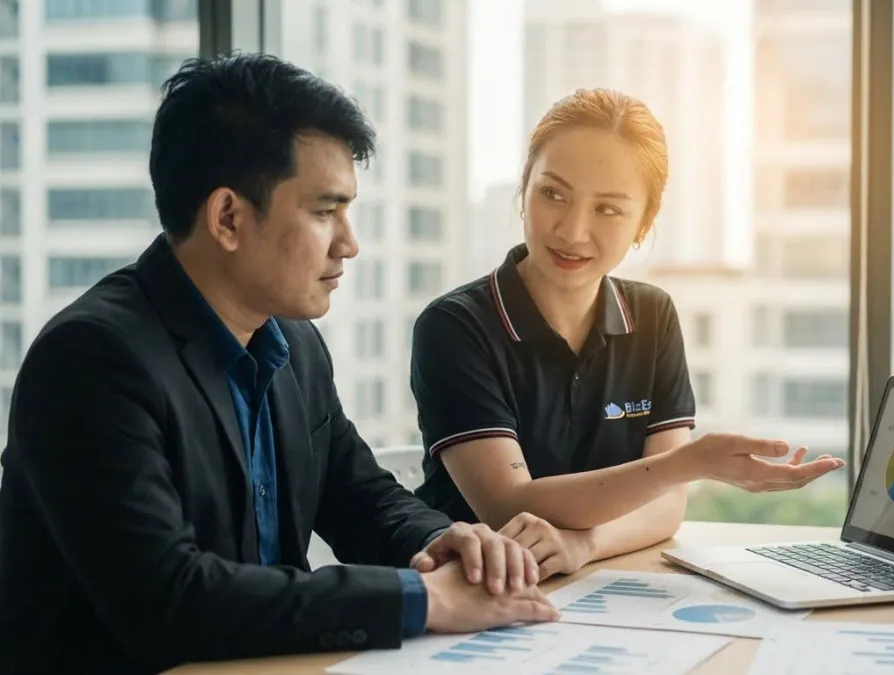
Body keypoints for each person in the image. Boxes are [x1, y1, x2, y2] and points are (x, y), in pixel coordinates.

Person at [0, 53, 558, 675]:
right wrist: (421, 598)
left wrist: (439, 542)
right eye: (325, 212)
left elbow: (357, 494)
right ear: (229, 218)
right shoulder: (90, 361)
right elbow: (168, 599)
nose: (350, 243)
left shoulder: (291, 338)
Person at [411, 88, 846, 581]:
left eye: (609, 210)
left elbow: (666, 509)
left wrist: (586, 544)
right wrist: (686, 463)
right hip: (468, 592)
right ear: (523, 188)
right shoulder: (454, 326)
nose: (573, 232)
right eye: (552, 194)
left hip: (598, 585)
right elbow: (509, 505)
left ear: (644, 223)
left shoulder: (652, 315)